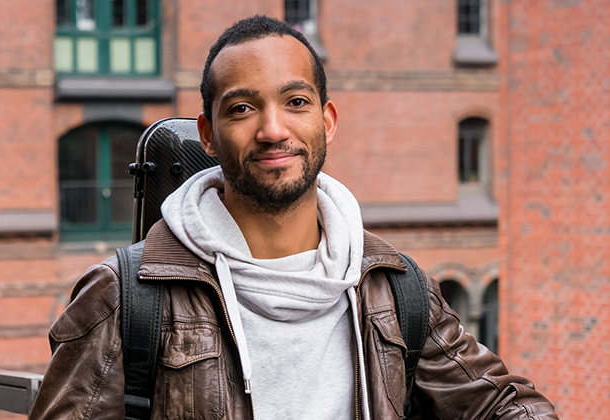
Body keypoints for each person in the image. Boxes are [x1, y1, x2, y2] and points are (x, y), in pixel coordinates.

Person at [30, 15, 558, 420]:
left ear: (326, 121)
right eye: (242, 108)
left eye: (296, 101)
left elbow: (501, 404)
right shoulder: (124, 296)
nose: (273, 129)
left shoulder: (395, 289)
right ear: (208, 133)